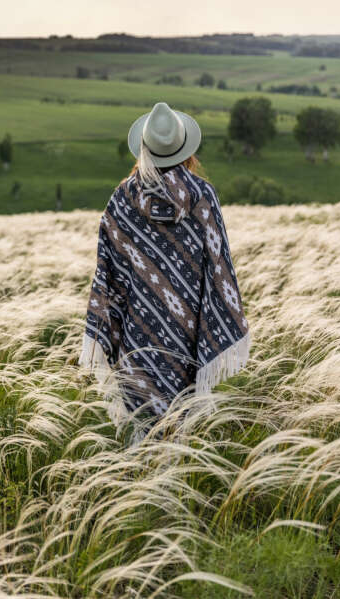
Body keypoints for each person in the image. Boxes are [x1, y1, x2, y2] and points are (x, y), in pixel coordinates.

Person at [78, 102, 251, 441]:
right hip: (189, 338)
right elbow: (219, 273)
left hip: (137, 342)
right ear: (186, 150)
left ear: (143, 150)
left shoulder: (122, 200)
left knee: (140, 439)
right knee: (183, 442)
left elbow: (107, 276)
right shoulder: (203, 197)